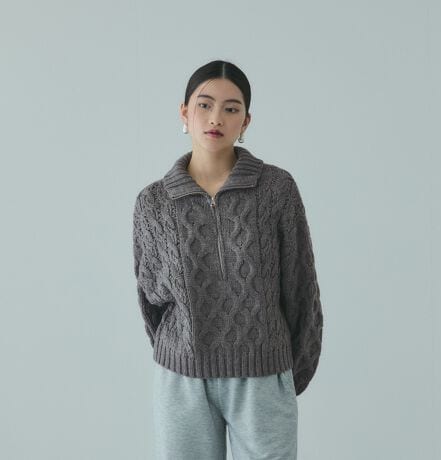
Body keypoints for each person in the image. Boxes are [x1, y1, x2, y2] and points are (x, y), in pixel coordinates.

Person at [132, 59, 324, 459]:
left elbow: (302, 289)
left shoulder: (276, 190)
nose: (216, 117)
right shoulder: (153, 202)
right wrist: (183, 352)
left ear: (246, 121)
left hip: (263, 375)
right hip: (183, 380)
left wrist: (288, 374)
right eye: (204, 105)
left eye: (231, 108)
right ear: (184, 113)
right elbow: (151, 301)